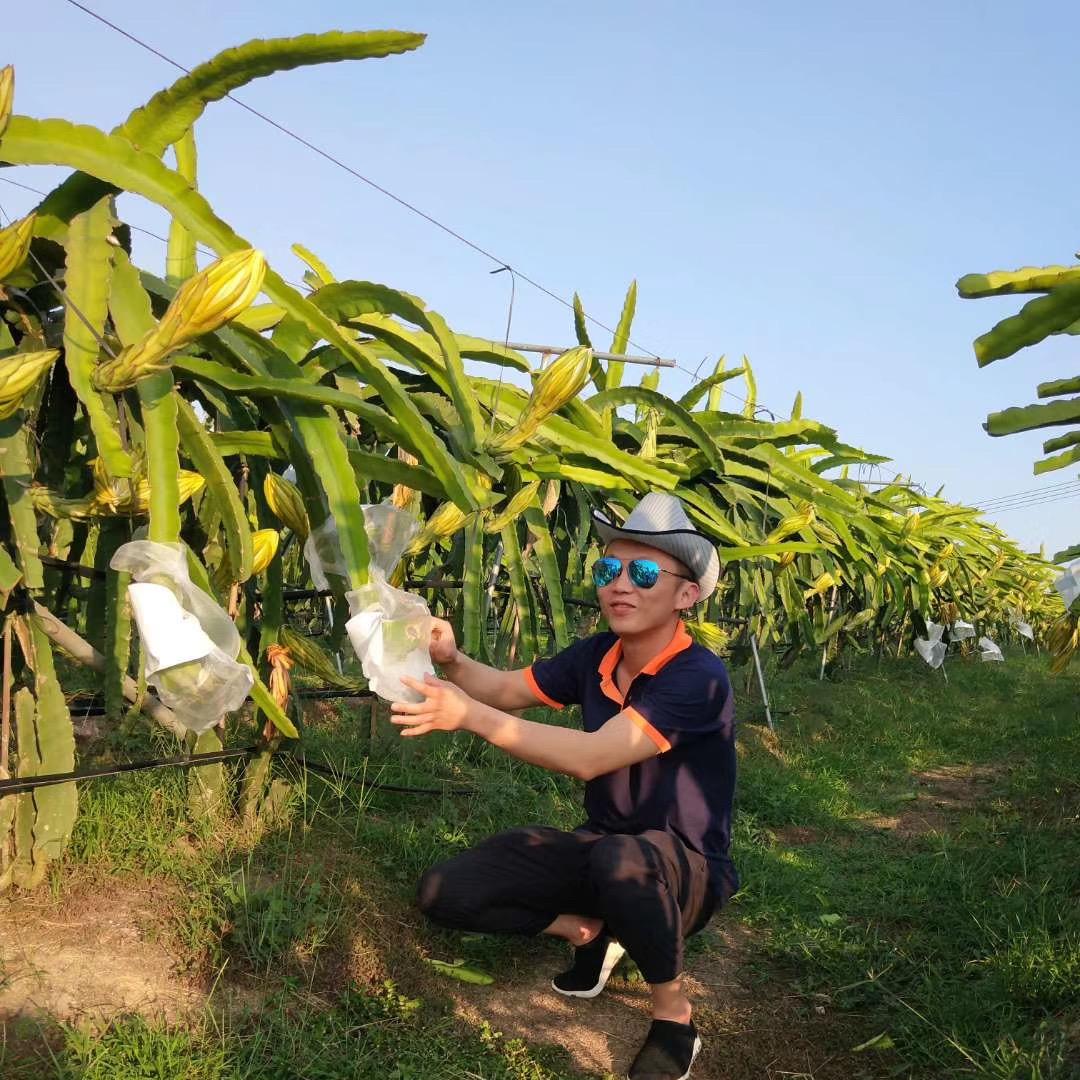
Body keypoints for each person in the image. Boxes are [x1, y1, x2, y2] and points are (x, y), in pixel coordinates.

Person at [391, 492, 738, 1080]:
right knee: (445, 891)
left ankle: (673, 1015)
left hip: (684, 872)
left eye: (644, 571)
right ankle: (589, 931)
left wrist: (470, 717)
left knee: (626, 862)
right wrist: (450, 660)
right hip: (602, 848)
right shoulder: (598, 654)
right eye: (609, 569)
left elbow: (591, 757)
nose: (620, 584)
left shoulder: (698, 677)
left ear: (686, 595)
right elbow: (504, 688)